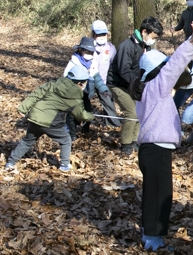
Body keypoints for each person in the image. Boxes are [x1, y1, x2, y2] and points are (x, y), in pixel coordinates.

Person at [130, 22, 193, 251]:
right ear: (156, 71)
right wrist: (189, 44)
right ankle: (153, 238)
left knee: (154, 192)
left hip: (151, 150)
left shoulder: (144, 92)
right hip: (157, 150)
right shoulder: (156, 87)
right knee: (160, 195)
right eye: (162, 68)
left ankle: (149, 231)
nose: (166, 72)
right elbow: (173, 67)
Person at [4, 65, 95, 172]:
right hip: (52, 123)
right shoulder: (76, 97)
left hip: (35, 117)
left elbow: (36, 94)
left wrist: (23, 108)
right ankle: (64, 165)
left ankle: (10, 162)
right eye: (85, 83)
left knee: (27, 141)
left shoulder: (53, 84)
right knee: (66, 140)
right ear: (81, 83)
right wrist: (91, 116)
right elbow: (80, 115)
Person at [108, 17, 163, 155]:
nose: (153, 40)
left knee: (140, 110)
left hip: (135, 84)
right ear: (144, 31)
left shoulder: (146, 46)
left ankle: (134, 140)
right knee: (131, 112)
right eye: (153, 37)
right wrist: (139, 84)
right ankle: (125, 143)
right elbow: (124, 70)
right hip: (118, 84)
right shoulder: (127, 46)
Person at [63, 37, 112, 140]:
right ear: (81, 50)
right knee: (72, 115)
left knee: (88, 112)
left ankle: (85, 131)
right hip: (74, 95)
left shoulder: (93, 63)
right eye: (87, 52)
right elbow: (65, 78)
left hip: (86, 94)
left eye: (91, 52)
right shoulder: (74, 62)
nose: (90, 54)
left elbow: (97, 78)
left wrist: (104, 90)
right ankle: (71, 135)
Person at [91, 20, 120, 127]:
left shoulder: (110, 48)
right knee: (82, 104)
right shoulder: (88, 47)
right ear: (93, 34)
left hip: (103, 82)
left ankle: (112, 124)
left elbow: (113, 64)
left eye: (104, 34)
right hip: (88, 82)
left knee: (108, 103)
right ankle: (80, 126)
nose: (102, 36)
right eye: (99, 34)